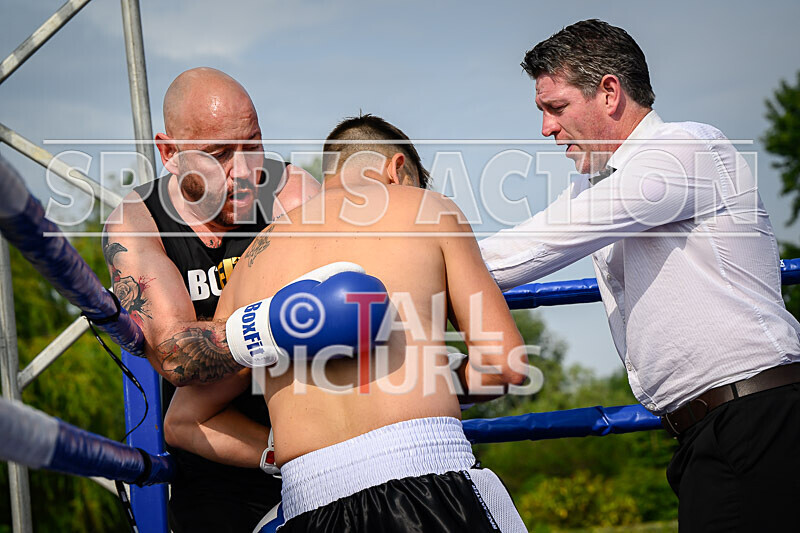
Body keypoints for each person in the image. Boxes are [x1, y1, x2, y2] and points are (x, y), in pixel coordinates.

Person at [478, 19, 800, 531]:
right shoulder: (595, 187)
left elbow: (534, 247)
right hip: (712, 431)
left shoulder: (683, 150)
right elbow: (515, 244)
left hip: (758, 419)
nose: (546, 129)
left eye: (556, 108)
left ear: (609, 92)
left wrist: (399, 276)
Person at [164, 114, 530, 532]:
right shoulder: (428, 209)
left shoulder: (249, 264)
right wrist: (424, 377)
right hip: (431, 483)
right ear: (396, 171)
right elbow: (505, 366)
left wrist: (271, 451)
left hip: (307, 504)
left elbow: (184, 422)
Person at [103, 67, 321, 532]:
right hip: (210, 472)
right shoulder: (139, 222)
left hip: (316, 447)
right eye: (219, 155)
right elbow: (178, 358)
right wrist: (282, 321)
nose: (244, 172)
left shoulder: (290, 191)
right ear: (170, 153)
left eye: (254, 143)